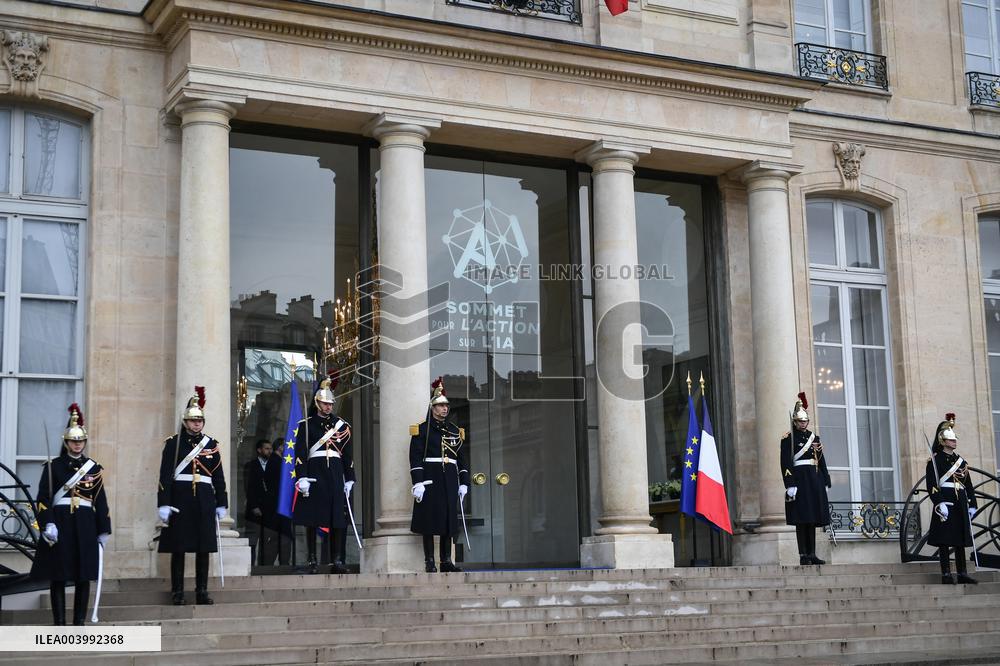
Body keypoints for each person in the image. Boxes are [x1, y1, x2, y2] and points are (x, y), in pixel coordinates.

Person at [31, 404, 111, 625]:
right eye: (74, 441)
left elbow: (100, 501)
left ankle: (79, 622)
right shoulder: (53, 467)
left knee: (83, 575)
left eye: (81, 441)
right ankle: (59, 623)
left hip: (85, 525)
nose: (78, 445)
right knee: (58, 575)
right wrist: (48, 524)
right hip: (61, 523)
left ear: (85, 442)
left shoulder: (93, 469)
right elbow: (43, 500)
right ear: (66, 442)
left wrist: (104, 528)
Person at [157, 386, 228, 605]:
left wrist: (221, 502)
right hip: (181, 498)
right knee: (179, 546)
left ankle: (201, 591)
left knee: (203, 546)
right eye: (193, 420)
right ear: (186, 422)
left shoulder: (211, 445)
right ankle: (177, 591)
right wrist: (163, 503)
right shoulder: (173, 443)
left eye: (200, 420)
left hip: (205, 499)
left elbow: (218, 476)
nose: (197, 423)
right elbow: (165, 475)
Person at [292, 375, 355, 574]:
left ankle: (337, 560)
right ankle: (312, 560)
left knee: (338, 517)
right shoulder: (306, 425)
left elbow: (347, 454)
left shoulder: (342, 425)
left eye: (330, 404)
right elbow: (300, 453)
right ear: (317, 402)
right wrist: (301, 476)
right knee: (313, 518)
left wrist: (350, 477)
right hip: (315, 472)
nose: (328, 407)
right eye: (324, 403)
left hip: (335, 473)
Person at [410, 377, 469, 573]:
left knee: (448, 520)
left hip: (449, 479)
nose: (445, 408)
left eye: (446, 405)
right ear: (433, 407)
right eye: (440, 405)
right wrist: (418, 483)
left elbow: (461, 458)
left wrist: (464, 482)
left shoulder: (454, 431)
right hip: (431, 478)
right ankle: (429, 560)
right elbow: (415, 458)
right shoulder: (422, 429)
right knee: (429, 520)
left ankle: (446, 560)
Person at [780, 392, 831, 565]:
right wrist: (790, 484)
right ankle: (803, 555)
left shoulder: (813, 438)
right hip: (799, 480)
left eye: (805, 421)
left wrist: (825, 479)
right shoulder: (788, 438)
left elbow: (820, 459)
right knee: (802, 519)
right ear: (795, 421)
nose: (803, 424)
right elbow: (785, 462)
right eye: (800, 421)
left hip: (813, 479)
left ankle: (812, 553)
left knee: (812, 518)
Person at [926, 413, 978, 585]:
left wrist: (973, 504)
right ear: (943, 440)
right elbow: (932, 484)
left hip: (960, 501)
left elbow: (968, 484)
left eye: (955, 439)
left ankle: (962, 572)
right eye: (951, 439)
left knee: (960, 539)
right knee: (945, 539)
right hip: (946, 500)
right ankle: (946, 574)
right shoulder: (935, 460)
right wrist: (939, 502)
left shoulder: (961, 461)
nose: (954, 441)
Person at [244, 439, 285, 566]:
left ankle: (263, 566)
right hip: (255, 510)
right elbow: (248, 487)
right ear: (259, 450)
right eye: (266, 449)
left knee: (266, 541)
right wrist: (254, 505)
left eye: (271, 449)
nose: (269, 451)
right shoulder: (251, 465)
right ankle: (250, 566)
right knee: (252, 541)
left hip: (269, 509)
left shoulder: (274, 464)